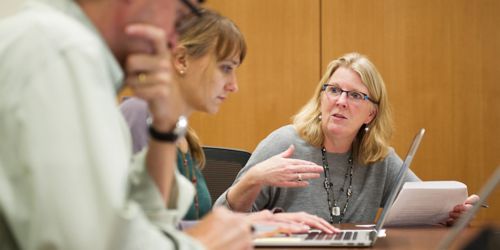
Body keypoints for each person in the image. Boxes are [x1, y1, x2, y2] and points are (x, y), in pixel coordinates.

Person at [0, 0, 253, 249]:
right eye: (180, 15)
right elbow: (87, 243)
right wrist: (202, 244)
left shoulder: (59, 47)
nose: (173, 40)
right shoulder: (62, 50)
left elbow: (140, 218)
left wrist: (164, 129)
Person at [120, 8, 338, 234]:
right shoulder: (139, 114)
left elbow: (189, 230)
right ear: (182, 59)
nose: (233, 85)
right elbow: (140, 233)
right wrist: (249, 225)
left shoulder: (180, 133)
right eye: (225, 68)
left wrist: (259, 224)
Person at [214, 52, 479, 226]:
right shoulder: (284, 144)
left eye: (355, 95)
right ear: (321, 98)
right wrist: (252, 179)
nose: (341, 101)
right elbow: (221, 219)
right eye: (334, 90)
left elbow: (426, 209)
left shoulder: (379, 158)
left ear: (371, 113)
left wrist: (454, 213)